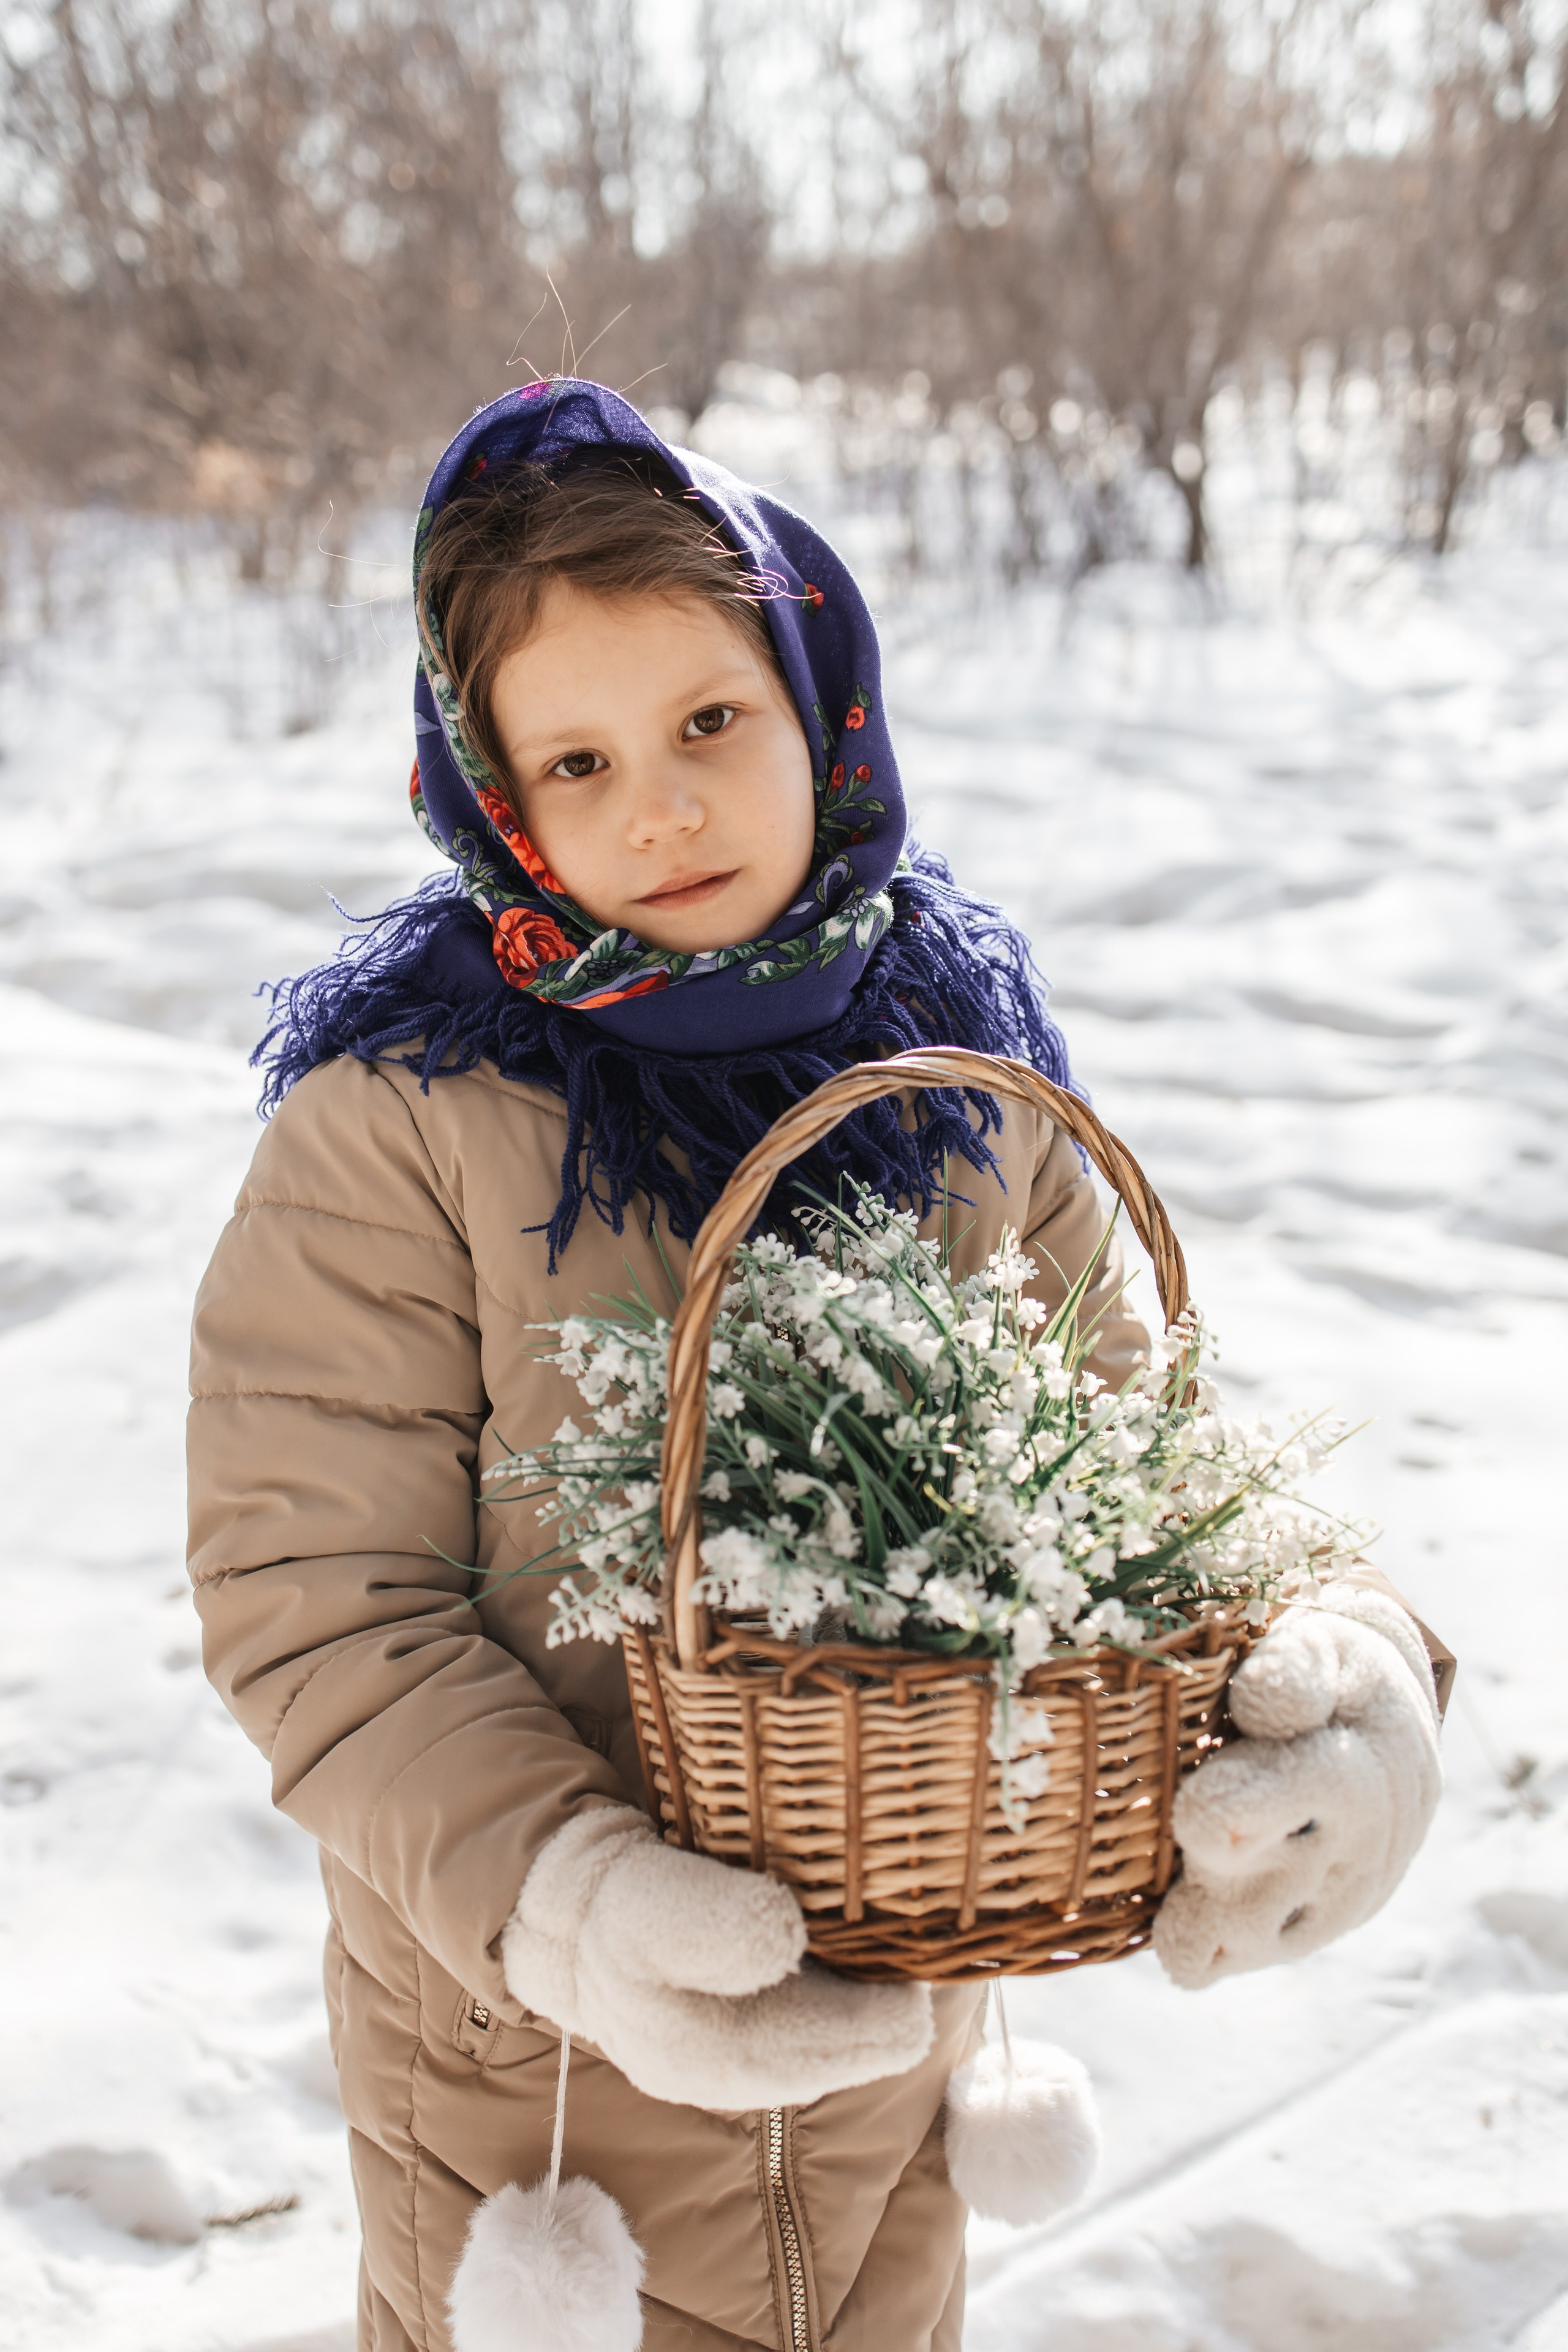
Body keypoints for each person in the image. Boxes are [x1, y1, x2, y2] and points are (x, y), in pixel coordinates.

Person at [187, 380, 1448, 2352]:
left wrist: (1352, 1670)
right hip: (535, 2092)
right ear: (500, 802)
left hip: (895, 2048)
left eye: (708, 722)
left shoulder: (966, 1082)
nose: (663, 805)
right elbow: (312, 1600)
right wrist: (566, 1899)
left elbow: (1144, 1465)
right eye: (580, 762)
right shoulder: (402, 1124)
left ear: (817, 700)